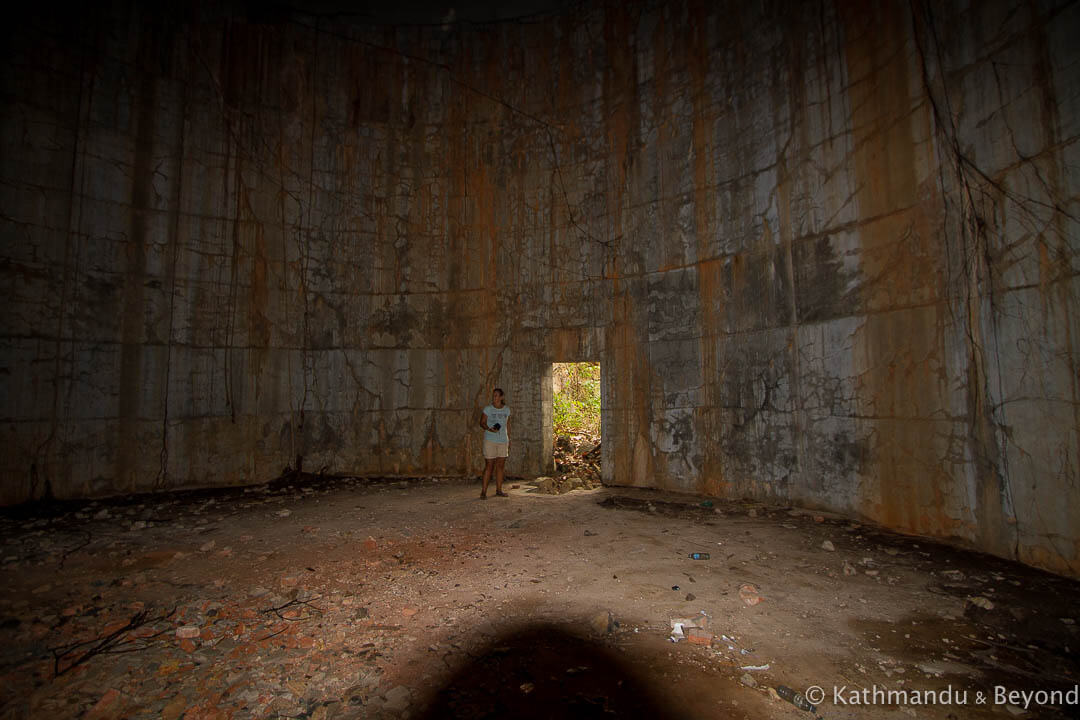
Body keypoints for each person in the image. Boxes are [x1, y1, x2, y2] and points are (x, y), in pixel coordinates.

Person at [480, 388, 511, 499]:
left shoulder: (506, 410)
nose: (494, 398)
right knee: (489, 466)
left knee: (501, 466)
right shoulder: (488, 409)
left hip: (503, 440)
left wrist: (509, 439)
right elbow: (482, 422)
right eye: (493, 396)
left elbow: (508, 426)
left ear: (502, 397)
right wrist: (489, 429)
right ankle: (483, 492)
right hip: (490, 440)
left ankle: (499, 490)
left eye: (497, 395)